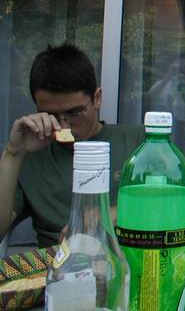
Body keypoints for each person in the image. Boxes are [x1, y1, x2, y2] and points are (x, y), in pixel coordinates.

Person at [0, 43, 145, 247]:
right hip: (55, 261)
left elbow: (184, 209)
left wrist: (112, 215)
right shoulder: (31, 157)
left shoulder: (139, 142)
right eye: (51, 115)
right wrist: (13, 153)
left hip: (133, 258)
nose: (64, 126)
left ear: (97, 99)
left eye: (75, 112)